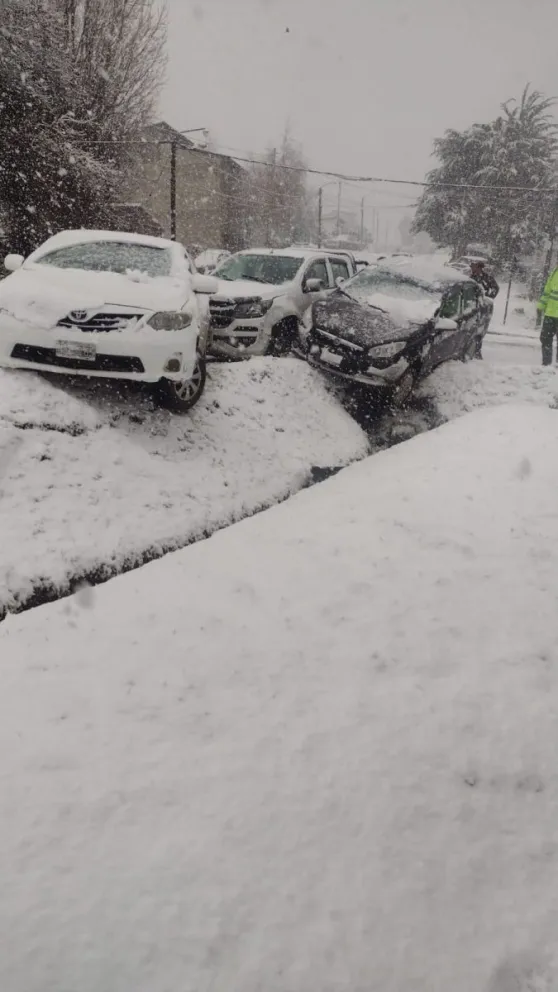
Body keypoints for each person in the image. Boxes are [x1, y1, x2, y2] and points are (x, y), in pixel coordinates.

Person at [469, 260, 499, 359]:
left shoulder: (487, 278)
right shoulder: (471, 278)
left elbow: (495, 288)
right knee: (472, 328)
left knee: (480, 329)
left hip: (484, 308)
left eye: (474, 267)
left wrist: (488, 298)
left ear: (479, 268)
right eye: (471, 267)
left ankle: (477, 351)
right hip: (473, 307)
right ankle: (471, 350)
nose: (472, 269)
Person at [537, 266, 558, 365]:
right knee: (545, 338)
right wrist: (541, 305)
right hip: (550, 313)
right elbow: (547, 291)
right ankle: (546, 365)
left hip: (552, 313)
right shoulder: (555, 271)